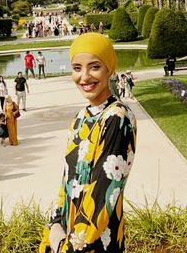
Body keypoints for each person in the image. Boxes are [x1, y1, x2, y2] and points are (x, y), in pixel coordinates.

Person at [39, 32, 137, 253]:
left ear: (109, 69)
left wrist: (65, 247)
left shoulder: (117, 117)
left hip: (96, 242)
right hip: (68, 233)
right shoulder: (81, 117)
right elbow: (67, 179)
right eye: (77, 68)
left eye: (94, 67)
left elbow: (104, 195)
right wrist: (55, 223)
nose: (84, 77)